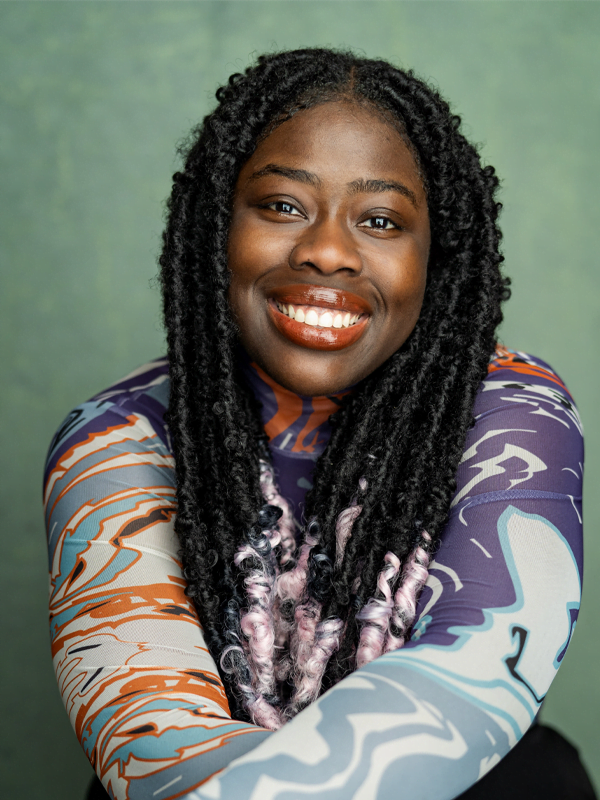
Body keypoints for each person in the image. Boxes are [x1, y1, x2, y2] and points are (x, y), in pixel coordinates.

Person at [44, 49, 595, 800]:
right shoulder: (117, 435)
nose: (327, 252)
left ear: (436, 257)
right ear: (215, 228)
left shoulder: (513, 416)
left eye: (380, 220)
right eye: (281, 206)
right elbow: (150, 732)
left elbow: (464, 693)